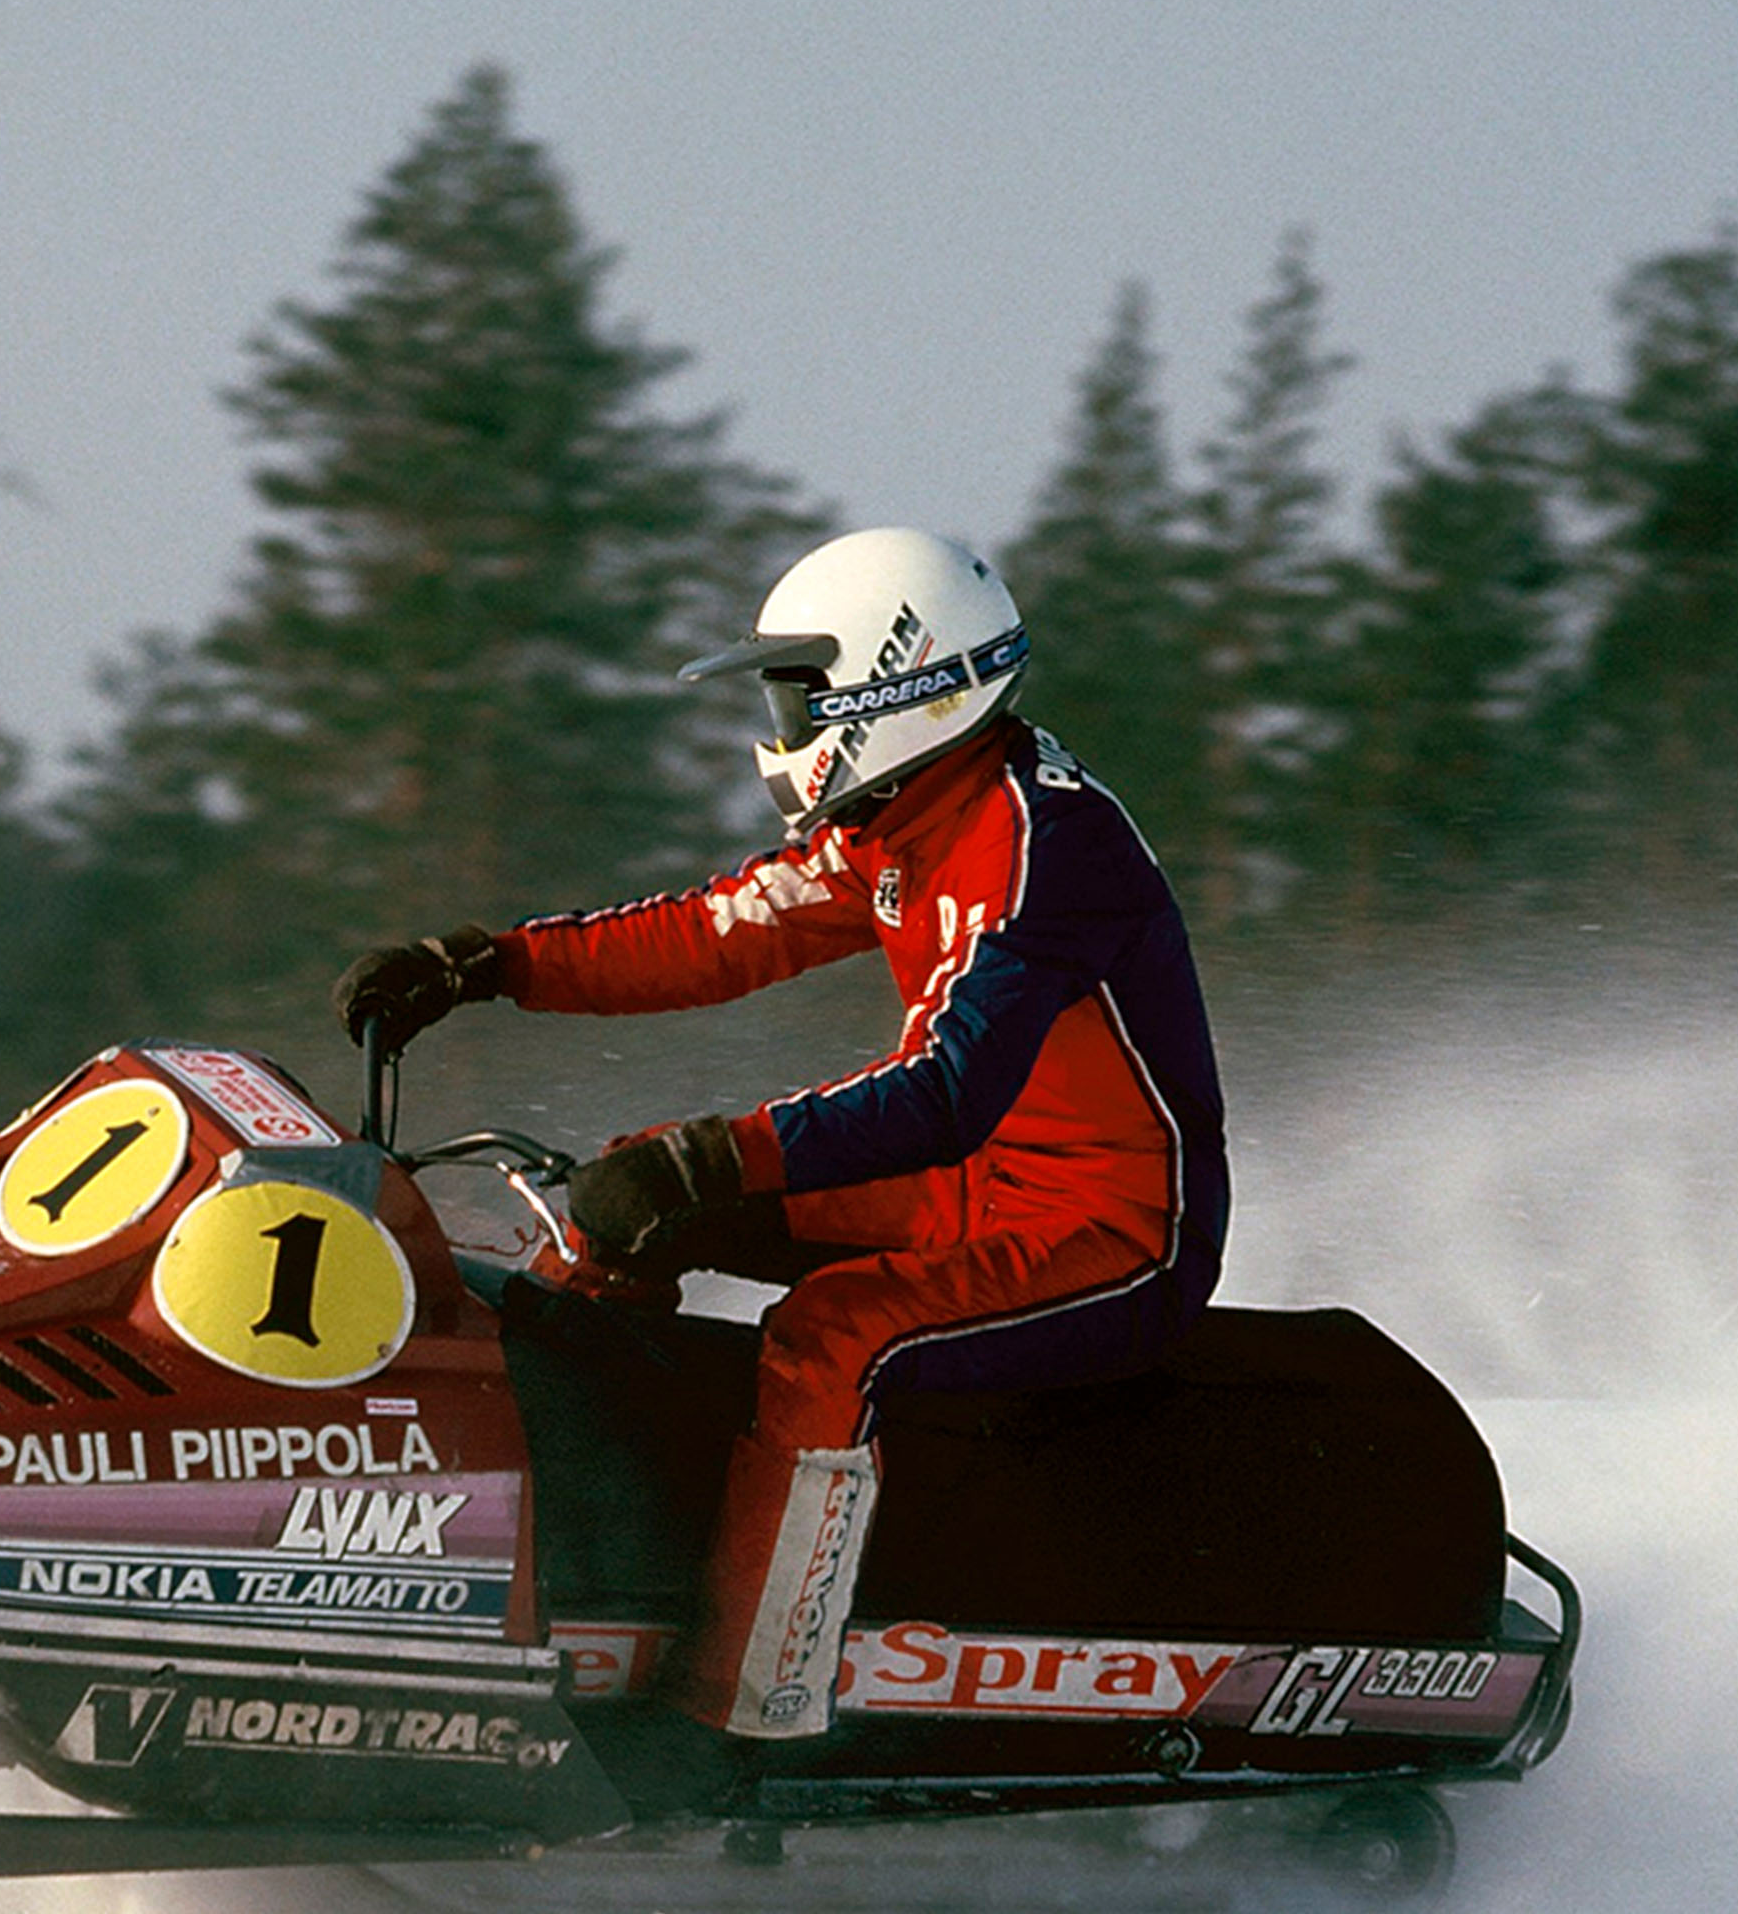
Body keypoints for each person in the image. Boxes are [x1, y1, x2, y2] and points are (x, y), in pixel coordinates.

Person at [332, 527, 1228, 1738]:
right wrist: (486, 964)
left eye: (801, 693)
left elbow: (945, 1089)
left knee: (831, 1335)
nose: (784, 725)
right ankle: (573, 1564)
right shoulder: (901, 820)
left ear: (898, 681)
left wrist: (716, 1151)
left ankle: (745, 1711)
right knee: (614, 1200)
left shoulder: (1040, 844)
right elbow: (718, 933)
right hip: (972, 1184)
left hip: (1111, 1231)